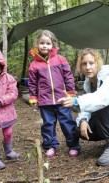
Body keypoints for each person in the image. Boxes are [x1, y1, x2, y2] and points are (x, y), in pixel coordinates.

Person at [28, 30, 80, 158]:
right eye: (42, 43)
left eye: (48, 43)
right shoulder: (34, 65)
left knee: (67, 122)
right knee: (48, 124)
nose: (45, 46)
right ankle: (50, 146)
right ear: (37, 44)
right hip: (45, 100)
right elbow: (32, 83)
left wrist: (70, 93)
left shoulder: (60, 59)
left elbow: (68, 76)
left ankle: (73, 145)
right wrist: (34, 98)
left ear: (53, 44)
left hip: (62, 98)